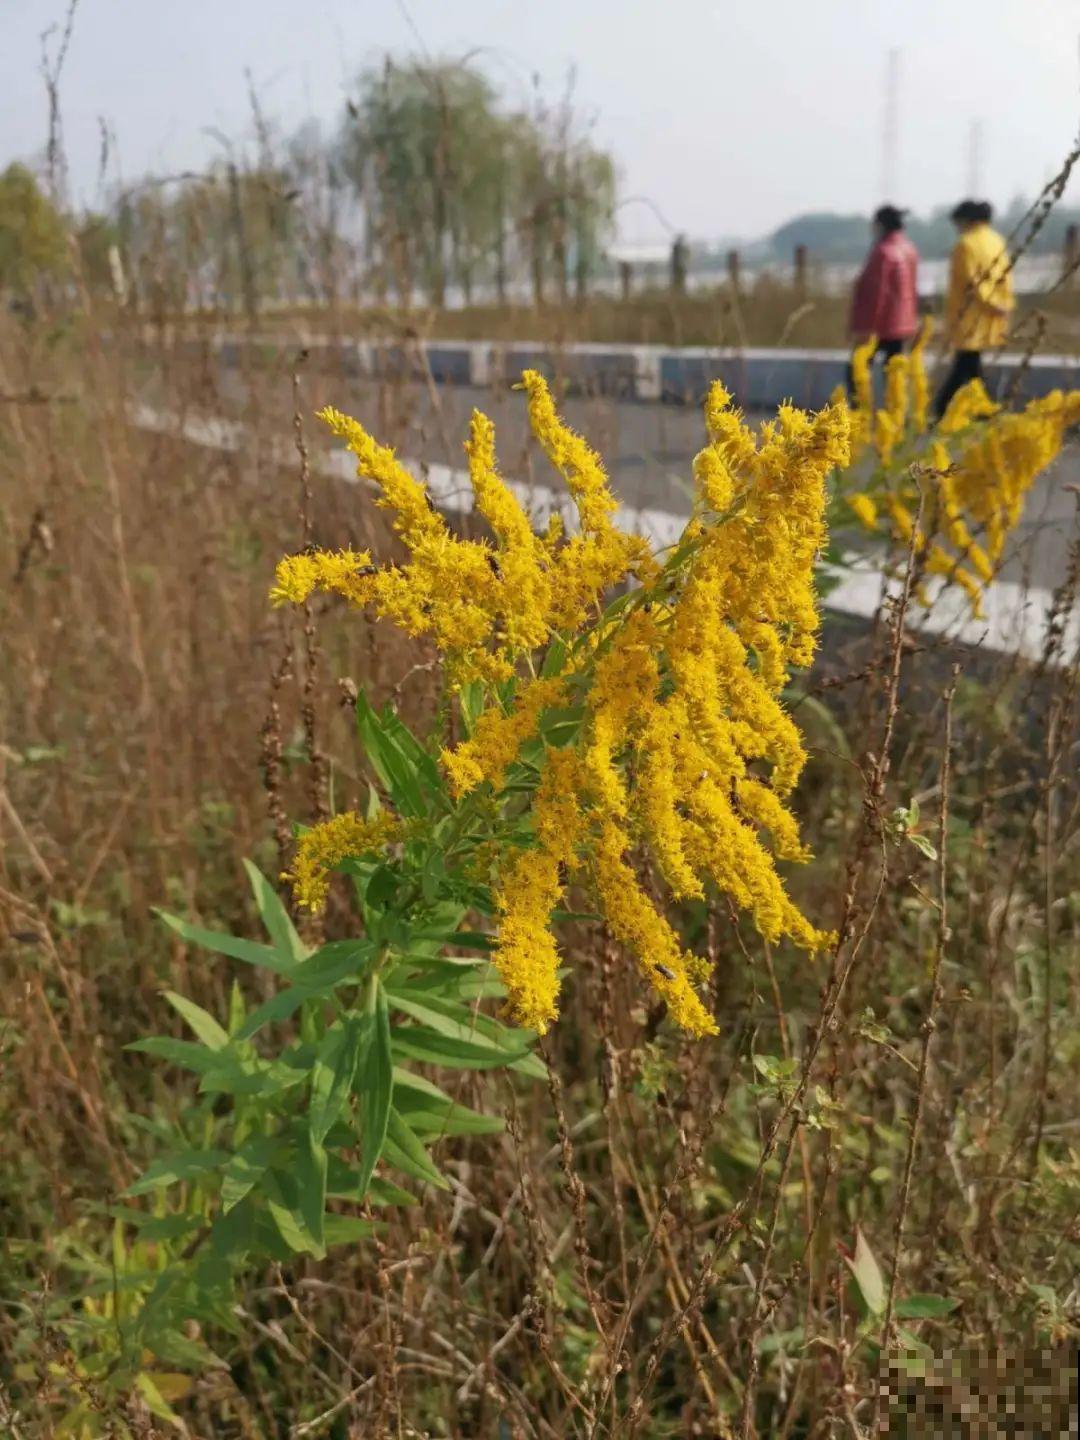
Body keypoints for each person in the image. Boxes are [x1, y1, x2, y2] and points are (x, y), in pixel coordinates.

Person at [933, 199, 1014, 419]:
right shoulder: (997, 241)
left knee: (965, 363)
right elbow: (1006, 277)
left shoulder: (965, 245)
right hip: (991, 313)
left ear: (965, 221)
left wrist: (989, 302)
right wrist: (1002, 305)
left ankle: (943, 411)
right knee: (970, 364)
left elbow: (973, 282)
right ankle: (981, 410)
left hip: (969, 315)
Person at [847, 204, 920, 400]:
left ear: (880, 225)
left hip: (880, 325)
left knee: (857, 370)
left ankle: (856, 418)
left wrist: (865, 328)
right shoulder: (909, 249)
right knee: (895, 376)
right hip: (904, 324)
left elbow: (875, 294)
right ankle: (897, 419)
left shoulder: (882, 252)